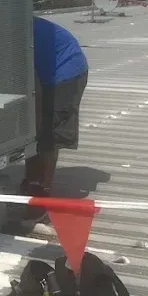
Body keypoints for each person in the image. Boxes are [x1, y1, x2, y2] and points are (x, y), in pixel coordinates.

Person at [22, 15, 88, 197]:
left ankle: (42, 187)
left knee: (49, 131)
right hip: (47, 68)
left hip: (66, 71)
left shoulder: (16, 32)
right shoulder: (10, 26)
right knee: (35, 129)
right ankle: (32, 180)